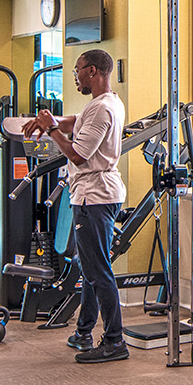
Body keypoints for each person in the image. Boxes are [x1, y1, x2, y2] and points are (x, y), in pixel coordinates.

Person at [25, 48, 127, 363]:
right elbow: (77, 121)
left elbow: (78, 155)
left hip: (94, 197)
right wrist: (53, 121)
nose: (75, 76)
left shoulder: (102, 108)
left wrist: (51, 129)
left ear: (92, 71)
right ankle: (84, 332)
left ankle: (114, 341)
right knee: (90, 267)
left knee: (98, 271)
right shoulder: (103, 103)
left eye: (77, 69)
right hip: (93, 195)